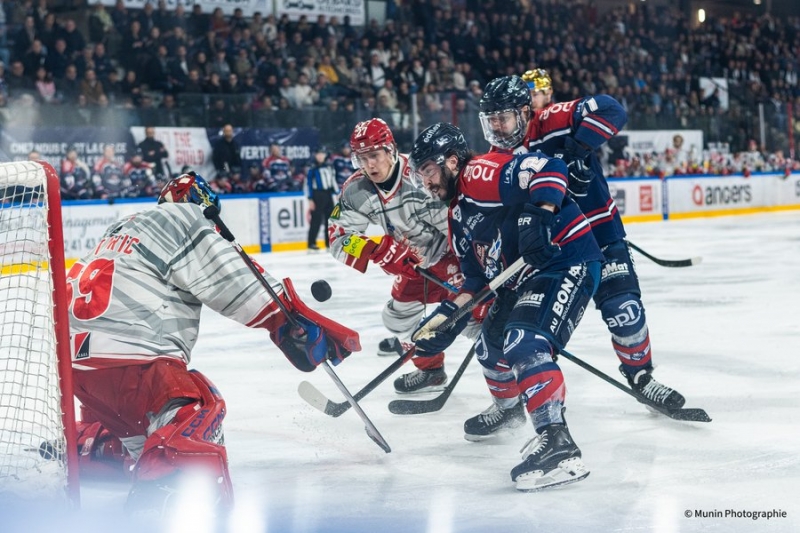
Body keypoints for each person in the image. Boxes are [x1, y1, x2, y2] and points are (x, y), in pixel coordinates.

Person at [66, 172, 358, 515]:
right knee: (197, 405)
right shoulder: (185, 218)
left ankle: (97, 447)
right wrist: (292, 323)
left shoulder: (123, 227)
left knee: (145, 429)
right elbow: (234, 281)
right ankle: (165, 493)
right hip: (130, 357)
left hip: (78, 369)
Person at [478, 75, 688, 433]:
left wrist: (576, 151)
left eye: (504, 117)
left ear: (525, 111)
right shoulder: (496, 157)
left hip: (600, 234)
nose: (498, 127)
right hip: (557, 251)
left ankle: (640, 377)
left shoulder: (550, 121)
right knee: (522, 335)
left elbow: (612, 109)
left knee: (625, 312)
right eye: (491, 119)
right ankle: (513, 401)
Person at [408, 122, 602, 491]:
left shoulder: (477, 174)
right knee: (490, 347)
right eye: (420, 178)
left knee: (524, 343)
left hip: (564, 260)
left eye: (429, 173)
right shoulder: (457, 214)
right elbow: (476, 282)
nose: (426, 184)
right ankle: (512, 407)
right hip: (523, 277)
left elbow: (549, 168)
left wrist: (538, 215)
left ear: (451, 161)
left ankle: (558, 443)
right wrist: (445, 320)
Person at [328, 118, 479, 393]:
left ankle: (506, 365)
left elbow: (460, 218)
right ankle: (431, 369)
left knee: (472, 316)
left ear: (391, 150)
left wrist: (474, 263)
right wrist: (375, 250)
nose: (369, 165)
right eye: (362, 158)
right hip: (413, 266)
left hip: (453, 254)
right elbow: (337, 239)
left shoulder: (422, 172)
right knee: (397, 319)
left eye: (374, 155)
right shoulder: (356, 190)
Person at [305, 145, 338, 251]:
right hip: (317, 195)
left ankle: (329, 243)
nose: (320, 156)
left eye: (321, 154)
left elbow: (333, 181)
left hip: (328, 194)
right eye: (318, 154)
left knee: (330, 220)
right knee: (316, 220)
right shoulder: (313, 168)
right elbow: (308, 184)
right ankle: (311, 243)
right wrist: (310, 199)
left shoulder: (330, 166)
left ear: (325, 155)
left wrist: (337, 193)